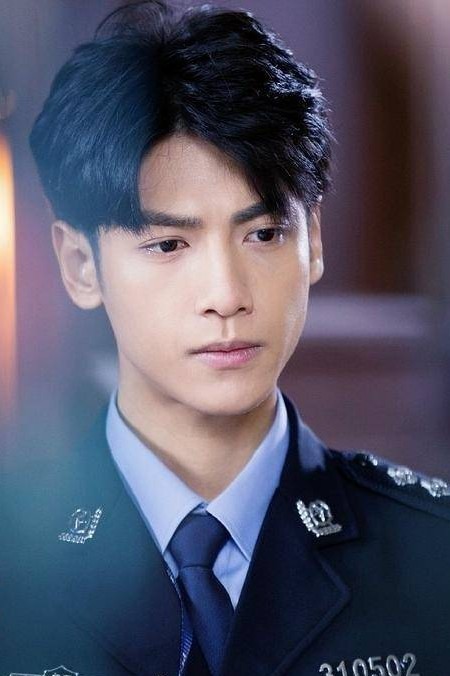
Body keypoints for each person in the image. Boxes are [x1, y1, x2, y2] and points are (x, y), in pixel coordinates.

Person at [2, 2, 450, 675]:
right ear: (80, 265)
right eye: (168, 244)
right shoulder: (12, 559)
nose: (226, 295)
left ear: (313, 240)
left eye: (263, 234)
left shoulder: (433, 555)